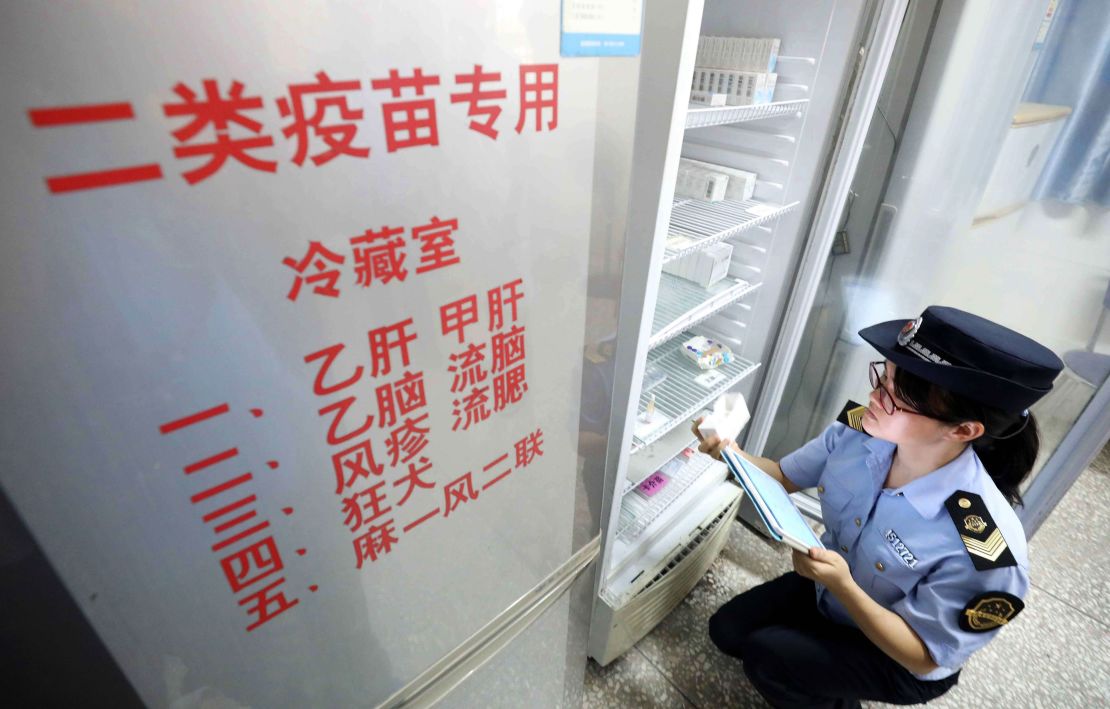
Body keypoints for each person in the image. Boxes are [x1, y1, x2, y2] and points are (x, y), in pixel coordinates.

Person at [695, 306, 1063, 708]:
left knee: (768, 658)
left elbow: (923, 657)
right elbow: (782, 476)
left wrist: (843, 585)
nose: (874, 396)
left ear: (962, 430)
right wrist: (729, 453)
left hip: (897, 651)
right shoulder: (858, 427)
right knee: (727, 632)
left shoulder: (986, 547)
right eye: (882, 377)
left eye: (894, 397)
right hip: (832, 591)